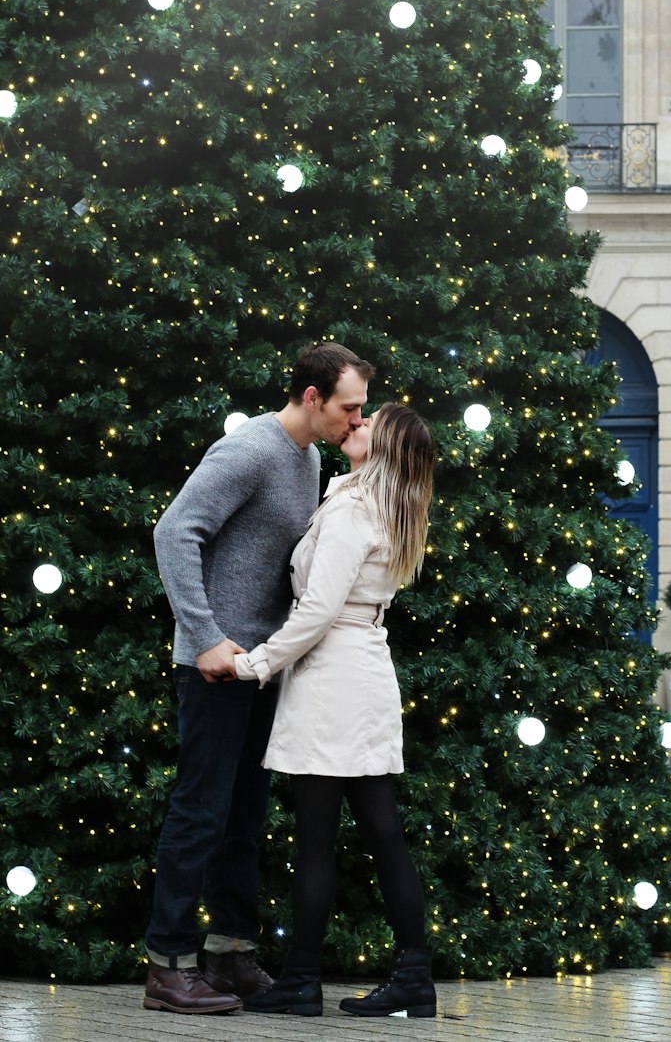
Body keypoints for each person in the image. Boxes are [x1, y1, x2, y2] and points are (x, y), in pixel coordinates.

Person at [143, 342, 373, 1016]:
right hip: (214, 668)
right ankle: (169, 964)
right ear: (312, 398)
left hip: (259, 669)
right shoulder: (249, 450)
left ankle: (230, 954)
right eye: (348, 409)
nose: (357, 423)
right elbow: (174, 530)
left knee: (242, 817)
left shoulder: (306, 459)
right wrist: (207, 636)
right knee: (199, 811)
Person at [232, 402, 436, 1020]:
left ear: (386, 447)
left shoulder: (352, 509)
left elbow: (317, 611)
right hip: (366, 670)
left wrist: (256, 663)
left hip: (333, 677)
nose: (356, 424)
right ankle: (414, 979)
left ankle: (300, 983)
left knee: (317, 836)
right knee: (383, 833)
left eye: (370, 423)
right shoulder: (384, 507)